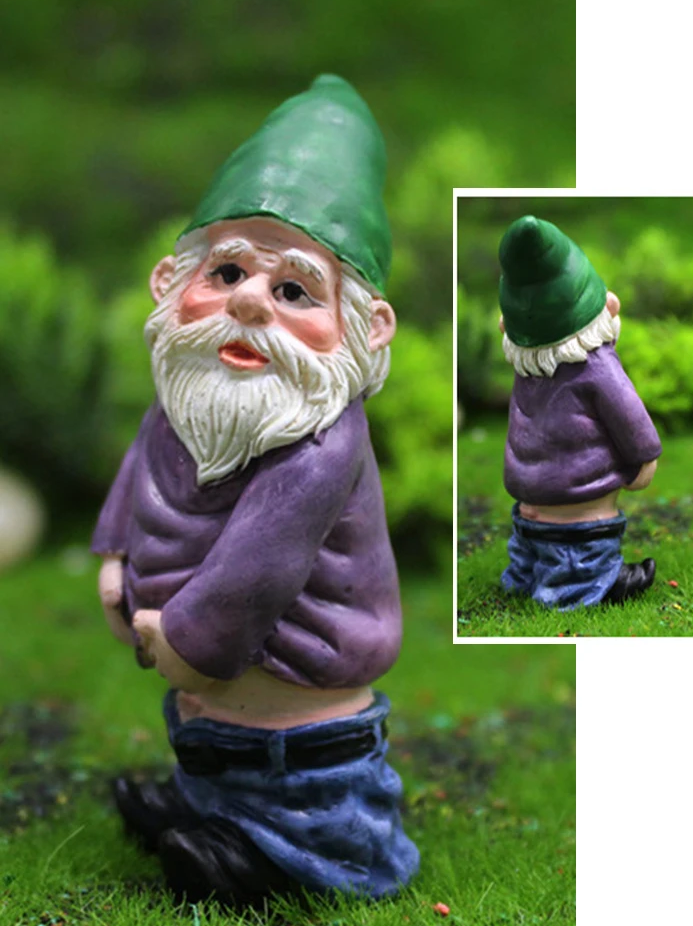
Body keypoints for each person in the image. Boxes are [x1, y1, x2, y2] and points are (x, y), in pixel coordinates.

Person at [92, 76, 418, 906]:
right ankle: (207, 807)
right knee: (216, 750)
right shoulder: (188, 396)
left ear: (367, 326)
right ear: (171, 282)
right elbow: (137, 471)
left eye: (293, 290)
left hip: (295, 700)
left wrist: (182, 640)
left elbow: (254, 574)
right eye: (229, 269)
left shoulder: (318, 446)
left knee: (306, 798)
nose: (246, 301)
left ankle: (281, 855)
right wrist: (116, 553)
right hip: (205, 693)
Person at [497, 215, 661, 610]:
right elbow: (631, 418)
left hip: (526, 498)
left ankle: (523, 573)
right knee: (578, 554)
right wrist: (645, 459)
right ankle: (589, 581)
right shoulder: (597, 366)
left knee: (530, 547)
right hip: (579, 507)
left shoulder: (527, 366)